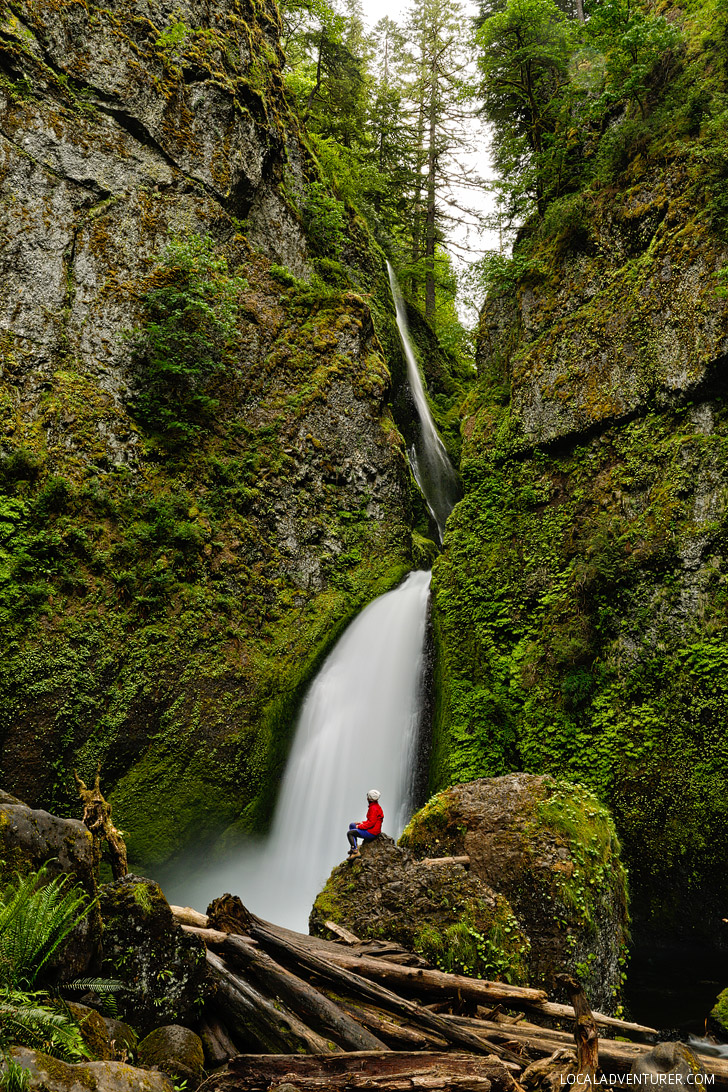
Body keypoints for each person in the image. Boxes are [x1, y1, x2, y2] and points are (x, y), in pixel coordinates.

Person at [347, 790, 383, 859]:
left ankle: (355, 851)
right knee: (352, 825)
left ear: (369, 798)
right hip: (372, 829)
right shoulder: (375, 806)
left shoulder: (373, 808)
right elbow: (371, 821)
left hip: (371, 833)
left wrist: (360, 826)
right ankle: (354, 846)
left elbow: (371, 823)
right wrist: (362, 823)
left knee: (350, 833)